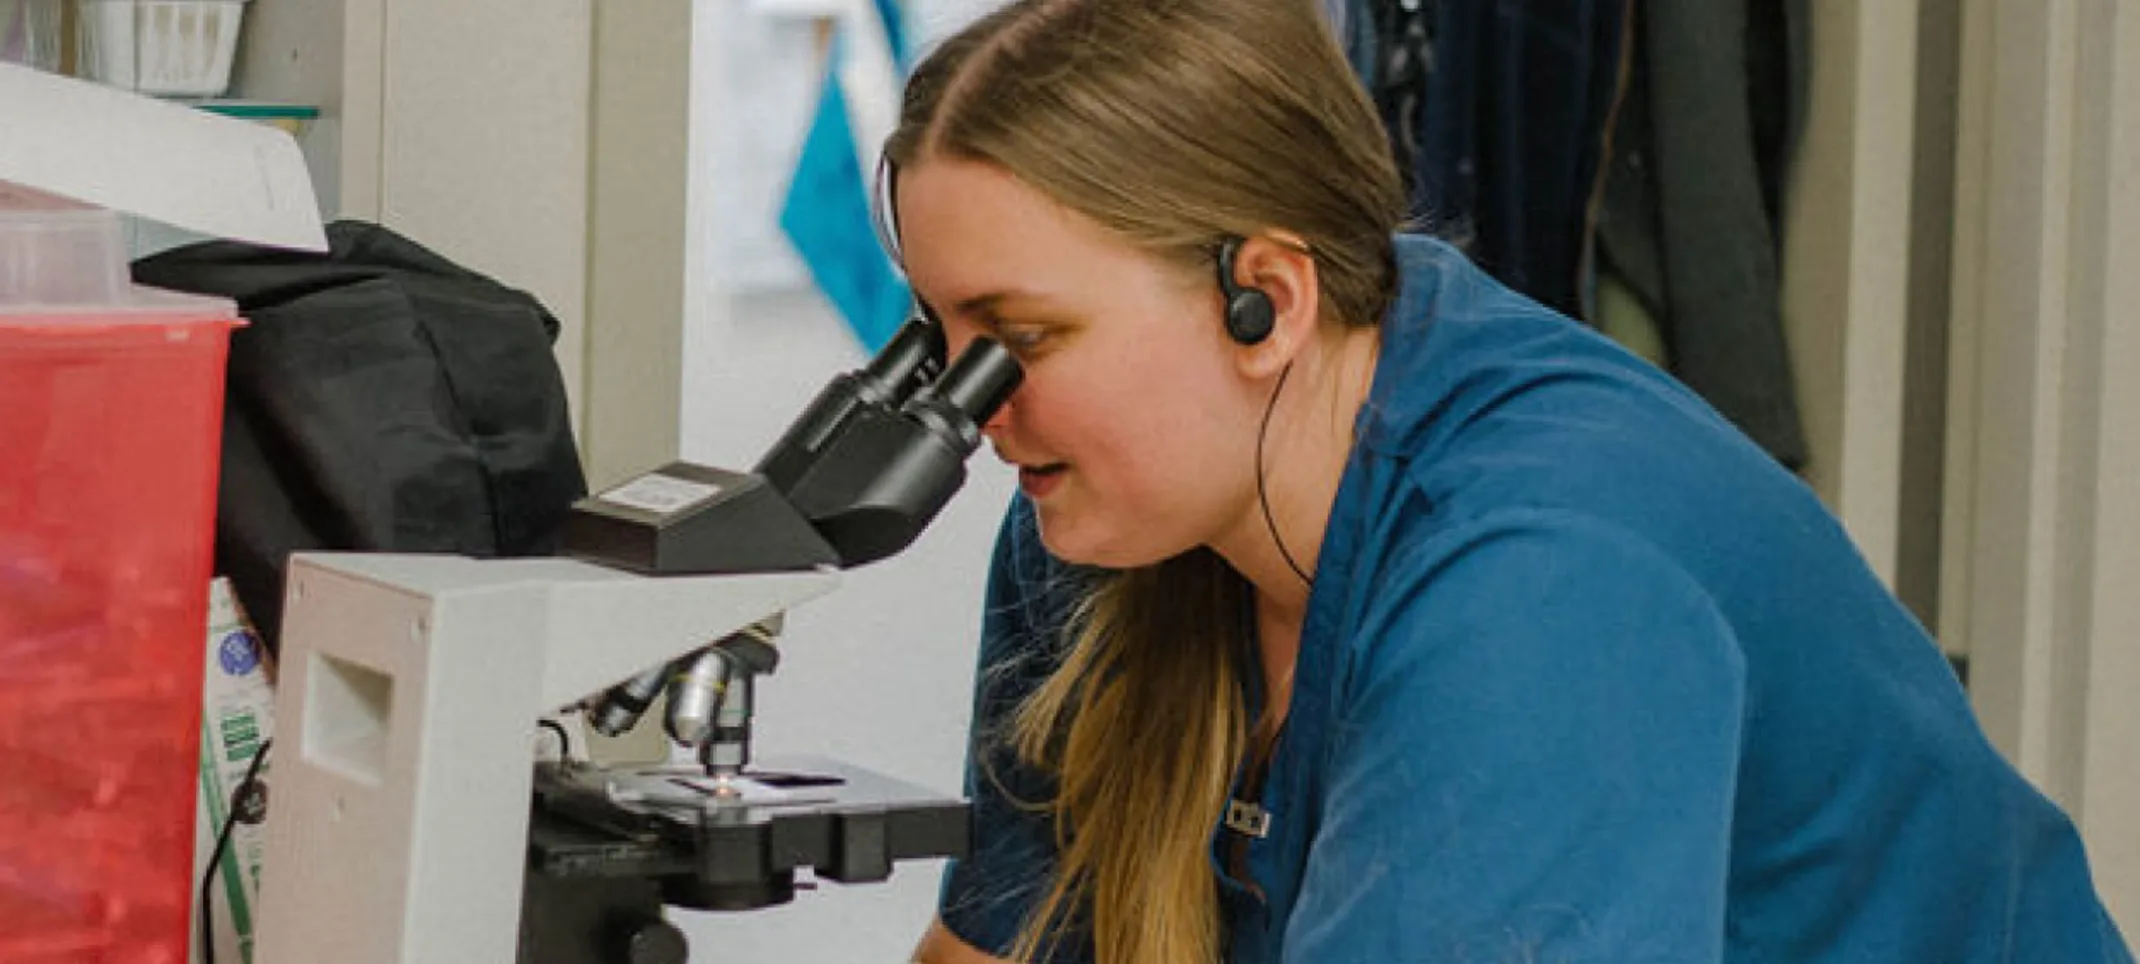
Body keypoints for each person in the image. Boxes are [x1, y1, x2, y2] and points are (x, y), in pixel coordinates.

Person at [881, 1, 2137, 962]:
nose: (972, 404)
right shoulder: (1106, 519)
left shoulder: (1540, 577)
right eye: (940, 338)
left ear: (1261, 298)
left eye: (1020, 341)